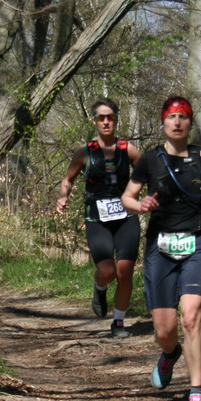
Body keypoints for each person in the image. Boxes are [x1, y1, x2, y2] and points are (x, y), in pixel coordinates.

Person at [120, 96, 201, 401]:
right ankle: (169, 354)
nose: (177, 122)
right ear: (163, 123)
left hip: (197, 244)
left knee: (190, 318)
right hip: (160, 248)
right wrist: (141, 205)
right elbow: (127, 198)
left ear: (190, 123)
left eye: (183, 117)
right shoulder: (150, 160)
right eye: (171, 117)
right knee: (164, 330)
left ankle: (196, 392)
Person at [56, 99, 142, 337]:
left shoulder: (129, 149)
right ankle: (99, 286)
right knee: (107, 270)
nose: (106, 122)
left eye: (110, 117)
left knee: (125, 271)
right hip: (97, 218)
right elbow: (68, 179)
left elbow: (147, 172)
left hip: (126, 215)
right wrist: (63, 196)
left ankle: (118, 322)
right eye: (101, 118)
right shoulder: (85, 152)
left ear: (115, 119)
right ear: (94, 121)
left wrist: (150, 194)